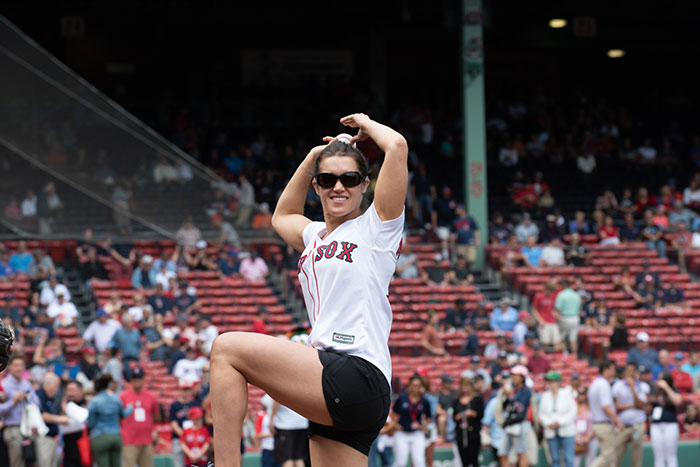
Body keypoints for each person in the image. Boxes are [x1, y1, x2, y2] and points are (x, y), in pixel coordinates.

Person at [210, 114, 407, 466]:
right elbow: (282, 216)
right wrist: (313, 157)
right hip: (336, 391)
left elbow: (396, 146)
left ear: (365, 184)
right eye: (327, 179)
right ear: (316, 185)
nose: (338, 187)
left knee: (226, 349)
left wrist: (365, 124)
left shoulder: (376, 229)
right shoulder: (313, 235)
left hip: (356, 374)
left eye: (349, 178)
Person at [0, 357, 42, 467]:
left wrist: (27, 397)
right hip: (13, 428)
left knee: (33, 462)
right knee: (17, 463)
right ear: (9, 367)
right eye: (16, 365)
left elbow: (37, 404)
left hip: (29, 428)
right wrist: (13, 402)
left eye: (21, 365)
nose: (19, 368)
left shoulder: (26, 384)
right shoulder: (4, 385)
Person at [87, 374, 133, 467]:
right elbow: (123, 414)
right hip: (115, 436)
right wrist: (130, 408)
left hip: (99, 437)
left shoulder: (94, 401)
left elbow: (90, 423)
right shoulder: (116, 398)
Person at [587, 360, 624, 467]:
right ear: (605, 370)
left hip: (597, 424)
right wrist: (618, 421)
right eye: (612, 369)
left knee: (611, 459)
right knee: (607, 456)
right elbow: (606, 407)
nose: (614, 372)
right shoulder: (603, 384)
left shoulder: (595, 383)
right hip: (604, 424)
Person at [120, 367, 158, 467]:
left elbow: (155, 416)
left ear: (143, 379)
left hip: (147, 439)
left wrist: (154, 430)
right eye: (134, 379)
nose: (137, 381)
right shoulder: (123, 396)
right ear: (131, 380)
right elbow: (119, 416)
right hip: (129, 439)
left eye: (139, 379)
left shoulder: (151, 396)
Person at [612, 363, 649, 467]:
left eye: (632, 370)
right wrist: (632, 406)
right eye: (628, 370)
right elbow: (616, 407)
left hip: (637, 424)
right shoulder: (618, 386)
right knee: (616, 455)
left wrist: (632, 388)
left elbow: (641, 404)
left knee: (637, 457)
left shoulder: (642, 386)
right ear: (624, 372)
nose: (630, 373)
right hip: (622, 425)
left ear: (635, 372)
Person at [391, 374, 431, 467]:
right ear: (410, 385)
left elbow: (429, 416)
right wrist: (395, 424)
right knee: (400, 462)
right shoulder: (402, 398)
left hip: (417, 433)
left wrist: (424, 425)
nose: (415, 388)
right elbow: (394, 412)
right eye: (413, 385)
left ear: (421, 386)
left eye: (418, 385)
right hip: (402, 432)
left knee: (419, 461)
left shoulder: (424, 400)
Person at [539, 371, 576, 467]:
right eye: (549, 382)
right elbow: (542, 414)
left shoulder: (566, 394)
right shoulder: (545, 396)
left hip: (566, 431)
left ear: (559, 382)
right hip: (551, 431)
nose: (551, 384)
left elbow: (572, 412)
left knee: (569, 459)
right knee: (555, 459)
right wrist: (549, 423)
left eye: (553, 381)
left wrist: (560, 422)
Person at [497, 365, 532, 467]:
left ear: (522, 377)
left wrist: (510, 396)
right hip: (509, 423)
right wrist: (505, 396)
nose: (513, 377)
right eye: (512, 375)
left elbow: (520, 408)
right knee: (502, 453)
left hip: (521, 423)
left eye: (516, 375)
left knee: (521, 452)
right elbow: (505, 407)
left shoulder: (526, 391)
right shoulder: (512, 389)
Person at [650, 373, 682, 467]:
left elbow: (677, 401)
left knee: (671, 454)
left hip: (670, 424)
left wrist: (667, 388)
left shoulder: (673, 390)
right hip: (656, 425)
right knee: (658, 455)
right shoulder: (655, 392)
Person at [452, 377, 483, 467]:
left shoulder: (477, 399)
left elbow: (481, 414)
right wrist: (458, 416)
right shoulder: (456, 400)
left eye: (467, 385)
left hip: (473, 433)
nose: (465, 388)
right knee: (464, 460)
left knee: (474, 459)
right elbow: (454, 417)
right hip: (461, 433)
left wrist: (473, 413)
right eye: (463, 385)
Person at [271, 399, 310, 467]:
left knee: (287, 458)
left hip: (286, 424)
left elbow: (277, 399)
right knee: (299, 458)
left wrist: (272, 418)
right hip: (302, 423)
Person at [170, 382, 198, 467]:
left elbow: (199, 422)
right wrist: (185, 435)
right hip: (179, 439)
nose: (186, 392)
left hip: (194, 439)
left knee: (195, 464)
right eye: (184, 389)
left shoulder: (194, 404)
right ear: (180, 390)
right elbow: (173, 423)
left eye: (187, 389)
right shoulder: (175, 405)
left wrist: (191, 436)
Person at [532, 280, 563, 351]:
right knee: (545, 343)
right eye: (549, 291)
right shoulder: (538, 296)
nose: (550, 293)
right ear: (545, 289)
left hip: (552, 322)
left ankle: (555, 359)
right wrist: (540, 320)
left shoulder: (552, 296)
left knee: (557, 342)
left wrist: (557, 315)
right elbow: (534, 310)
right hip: (544, 323)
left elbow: (552, 309)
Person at [555, 279, 582, 354]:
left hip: (565, 318)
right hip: (575, 318)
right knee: (573, 340)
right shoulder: (576, 294)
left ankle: (563, 356)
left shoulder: (561, 294)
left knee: (560, 338)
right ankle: (574, 356)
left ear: (563, 285)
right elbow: (579, 308)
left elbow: (558, 309)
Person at [573, 391, 597, 467]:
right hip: (577, 438)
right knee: (575, 463)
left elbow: (596, 423)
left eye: (583, 393)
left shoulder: (593, 407)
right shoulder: (574, 406)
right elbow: (571, 423)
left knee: (590, 463)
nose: (581, 396)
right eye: (579, 393)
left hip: (591, 438)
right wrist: (576, 437)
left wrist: (589, 437)